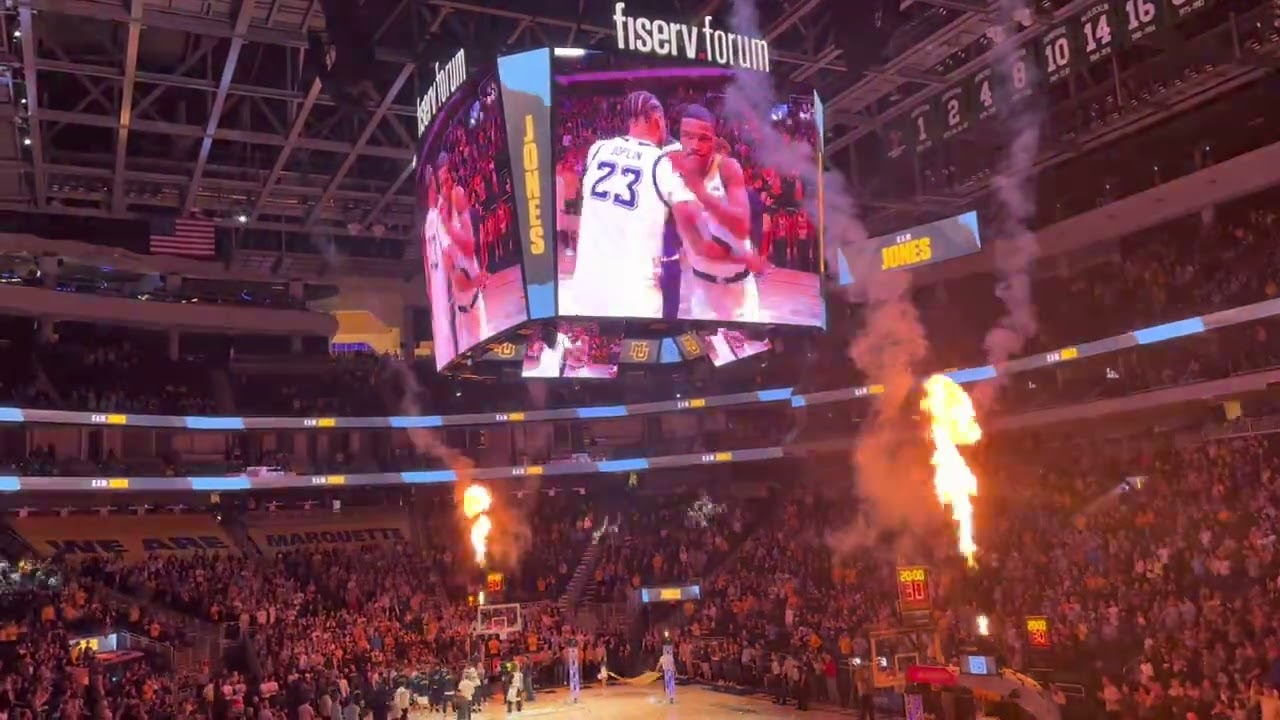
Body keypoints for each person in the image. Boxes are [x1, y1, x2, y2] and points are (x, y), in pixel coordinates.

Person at [564, 91, 713, 319]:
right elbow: (694, 215)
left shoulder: (597, 150)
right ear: (656, 118)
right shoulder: (660, 163)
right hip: (633, 300)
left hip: (587, 293)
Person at [666, 104, 764, 323]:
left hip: (740, 290)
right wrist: (743, 257)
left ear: (713, 140)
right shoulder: (672, 177)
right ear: (680, 138)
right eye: (688, 137)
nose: (694, 145)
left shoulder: (728, 168)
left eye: (703, 139)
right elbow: (702, 248)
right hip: (703, 290)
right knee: (707, 355)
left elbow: (741, 226)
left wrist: (700, 192)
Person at [437, 153, 489, 354]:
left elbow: (468, 245)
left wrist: (448, 227)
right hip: (459, 311)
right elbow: (455, 277)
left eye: (449, 180)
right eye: (442, 183)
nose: (447, 186)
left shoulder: (457, 205)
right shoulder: (442, 216)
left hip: (473, 305)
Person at [421, 166, 457, 366]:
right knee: (439, 322)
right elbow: (428, 254)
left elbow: (448, 250)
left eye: (434, 187)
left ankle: (451, 358)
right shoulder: (430, 218)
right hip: (435, 277)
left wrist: (454, 279)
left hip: (444, 276)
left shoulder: (442, 215)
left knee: (446, 322)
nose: (432, 191)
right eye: (431, 187)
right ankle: (446, 359)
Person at [567, 640, 582, 704]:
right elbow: (571, 658)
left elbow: (575, 657)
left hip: (574, 669)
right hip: (572, 669)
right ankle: (574, 696)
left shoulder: (575, 650)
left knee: (575, 681)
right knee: (573, 681)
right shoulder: (571, 651)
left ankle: (575, 696)